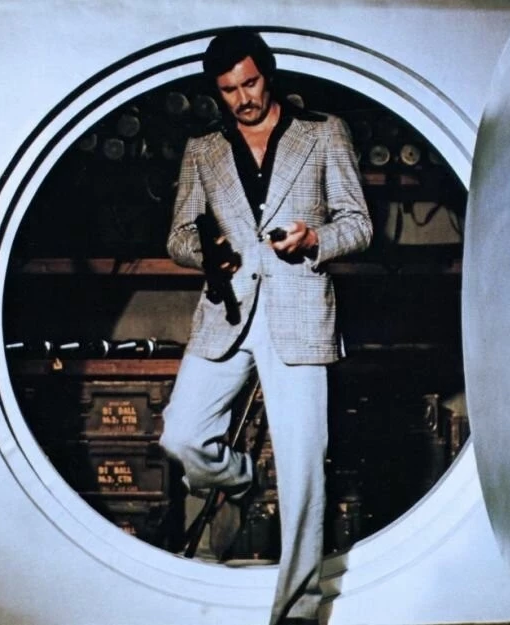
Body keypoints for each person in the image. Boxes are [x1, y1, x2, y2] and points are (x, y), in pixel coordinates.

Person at [159, 28, 372, 625]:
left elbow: (359, 224)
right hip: (225, 315)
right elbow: (178, 237)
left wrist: (314, 239)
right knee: (181, 436)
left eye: (250, 83)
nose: (243, 98)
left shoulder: (323, 133)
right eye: (229, 90)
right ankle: (242, 477)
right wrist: (209, 255)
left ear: (267, 75)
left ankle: (299, 611)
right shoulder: (203, 150)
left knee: (303, 474)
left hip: (300, 314)